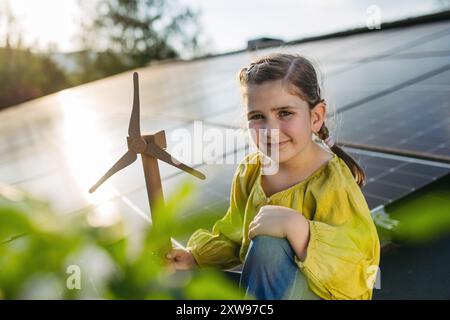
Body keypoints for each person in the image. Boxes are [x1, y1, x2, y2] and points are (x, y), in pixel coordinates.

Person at [166, 53, 380, 300]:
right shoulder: (251, 171)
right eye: (257, 117)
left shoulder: (332, 181)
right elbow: (236, 235)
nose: (271, 130)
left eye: (285, 113)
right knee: (181, 282)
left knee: (269, 244)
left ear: (316, 117)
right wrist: (195, 257)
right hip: (270, 290)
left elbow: (358, 263)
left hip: (323, 293)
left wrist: (301, 231)